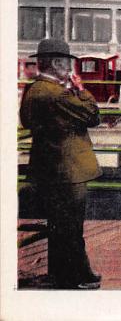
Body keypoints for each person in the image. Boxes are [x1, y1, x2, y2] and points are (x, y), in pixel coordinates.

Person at [19, 39, 103, 289]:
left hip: (48, 166)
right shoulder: (56, 93)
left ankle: (60, 274)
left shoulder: (33, 89)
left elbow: (26, 121)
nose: (70, 68)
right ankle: (77, 277)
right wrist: (82, 90)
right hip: (69, 169)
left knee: (58, 225)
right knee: (71, 227)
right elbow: (93, 116)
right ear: (56, 63)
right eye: (67, 63)